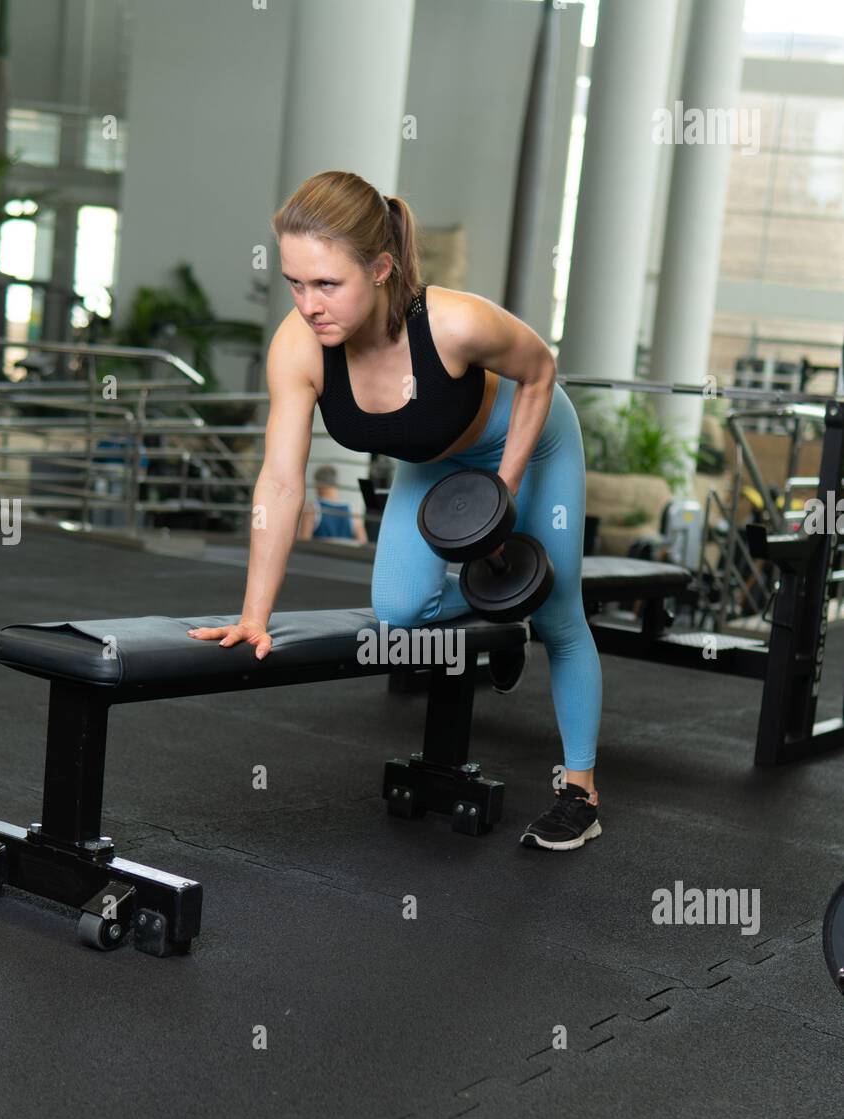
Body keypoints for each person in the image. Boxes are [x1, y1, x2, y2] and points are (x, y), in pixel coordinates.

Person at [188, 170, 603, 851]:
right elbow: (282, 482)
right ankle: (504, 619)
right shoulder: (300, 349)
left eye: (327, 284)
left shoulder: (455, 321)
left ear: (380, 269)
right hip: (433, 458)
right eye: (295, 282)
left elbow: (540, 370)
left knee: (557, 609)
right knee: (399, 614)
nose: (308, 303)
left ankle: (581, 791)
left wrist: (497, 496)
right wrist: (254, 614)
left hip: (528, 439)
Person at [298, 463, 367, 542]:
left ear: (319, 483)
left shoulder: (312, 508)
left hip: (318, 553)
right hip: (343, 554)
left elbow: (303, 542)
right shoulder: (352, 511)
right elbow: (363, 542)